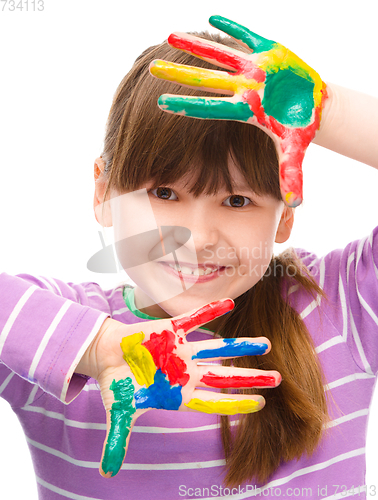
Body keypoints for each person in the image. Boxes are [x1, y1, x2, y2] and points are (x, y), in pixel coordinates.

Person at [1, 14, 378, 500]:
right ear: (102, 190)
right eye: (164, 192)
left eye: (237, 201)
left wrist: (329, 111)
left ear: (285, 216)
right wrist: (95, 348)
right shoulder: (59, 337)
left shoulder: (340, 307)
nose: (197, 238)